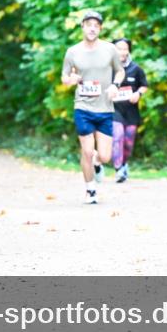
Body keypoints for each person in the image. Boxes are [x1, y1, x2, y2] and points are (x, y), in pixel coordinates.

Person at [61, 11, 125, 204]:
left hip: (105, 108)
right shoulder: (73, 52)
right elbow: (64, 77)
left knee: (104, 156)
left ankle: (98, 163)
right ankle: (90, 190)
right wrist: (70, 80)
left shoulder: (110, 49)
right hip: (83, 107)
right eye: (88, 24)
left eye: (96, 25)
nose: (92, 28)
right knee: (87, 151)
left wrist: (115, 85)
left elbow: (120, 71)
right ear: (82, 26)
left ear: (100, 29)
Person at [111, 38, 148, 183]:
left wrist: (138, 94)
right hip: (114, 109)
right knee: (117, 136)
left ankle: (124, 163)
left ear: (128, 50)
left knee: (128, 142)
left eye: (124, 48)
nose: (121, 51)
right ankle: (118, 169)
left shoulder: (136, 69)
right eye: (118, 48)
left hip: (131, 110)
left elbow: (144, 85)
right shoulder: (108, 68)